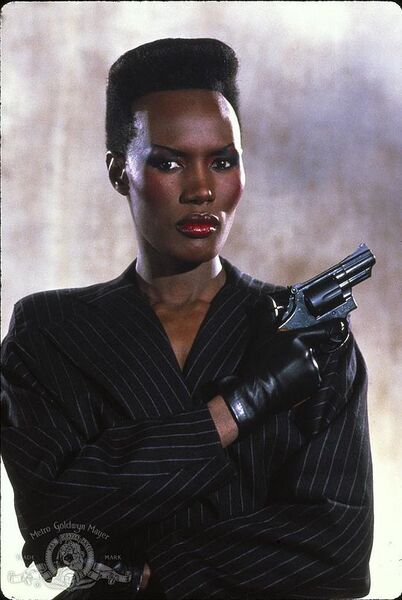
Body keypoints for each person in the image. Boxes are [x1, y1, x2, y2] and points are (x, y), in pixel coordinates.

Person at [1, 38, 373, 599]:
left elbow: (339, 551)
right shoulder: (49, 331)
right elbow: (52, 527)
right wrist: (238, 406)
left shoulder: (312, 337)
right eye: (169, 162)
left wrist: (156, 575)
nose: (201, 191)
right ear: (119, 172)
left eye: (223, 161)